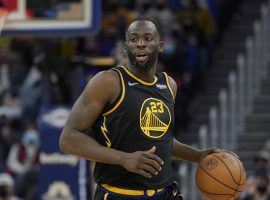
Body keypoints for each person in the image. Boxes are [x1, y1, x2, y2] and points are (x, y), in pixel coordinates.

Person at [59, 17, 227, 200]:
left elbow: (162, 141)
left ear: (160, 45)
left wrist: (198, 156)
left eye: (147, 38)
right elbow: (68, 139)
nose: (140, 44)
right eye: (133, 39)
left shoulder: (169, 85)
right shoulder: (108, 82)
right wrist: (124, 158)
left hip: (165, 193)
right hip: (118, 194)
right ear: (125, 47)